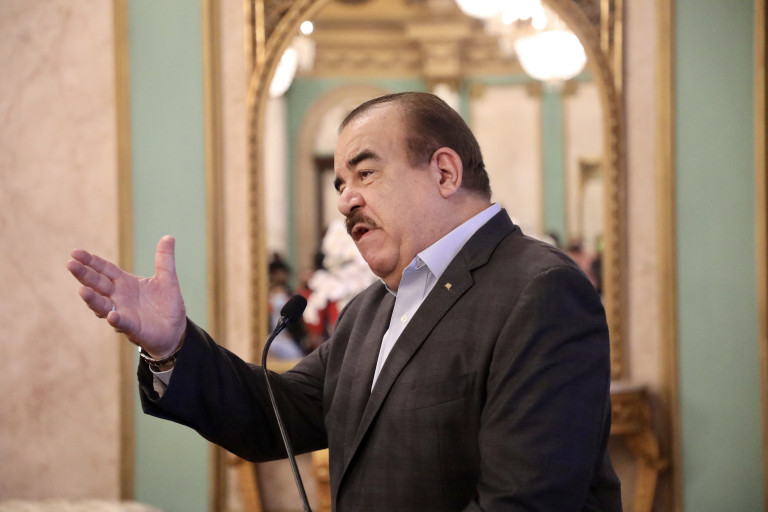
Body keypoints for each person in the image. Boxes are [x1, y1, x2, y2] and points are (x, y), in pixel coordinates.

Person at [68, 92, 622, 511]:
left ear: (445, 172)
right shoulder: (370, 310)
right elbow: (276, 415)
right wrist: (173, 347)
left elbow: (525, 501)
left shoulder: (541, 291)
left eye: (365, 172)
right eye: (339, 184)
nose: (345, 200)